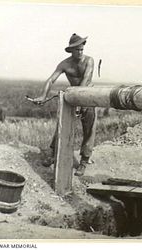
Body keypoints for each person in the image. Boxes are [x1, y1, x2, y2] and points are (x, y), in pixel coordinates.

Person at [32, 33, 96, 177]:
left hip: (88, 95)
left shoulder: (89, 61)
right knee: (62, 124)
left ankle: (84, 161)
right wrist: (43, 96)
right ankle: (54, 154)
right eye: (77, 50)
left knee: (89, 129)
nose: (80, 52)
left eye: (82, 49)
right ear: (71, 50)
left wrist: (80, 101)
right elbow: (51, 80)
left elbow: (85, 80)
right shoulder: (65, 64)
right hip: (73, 96)